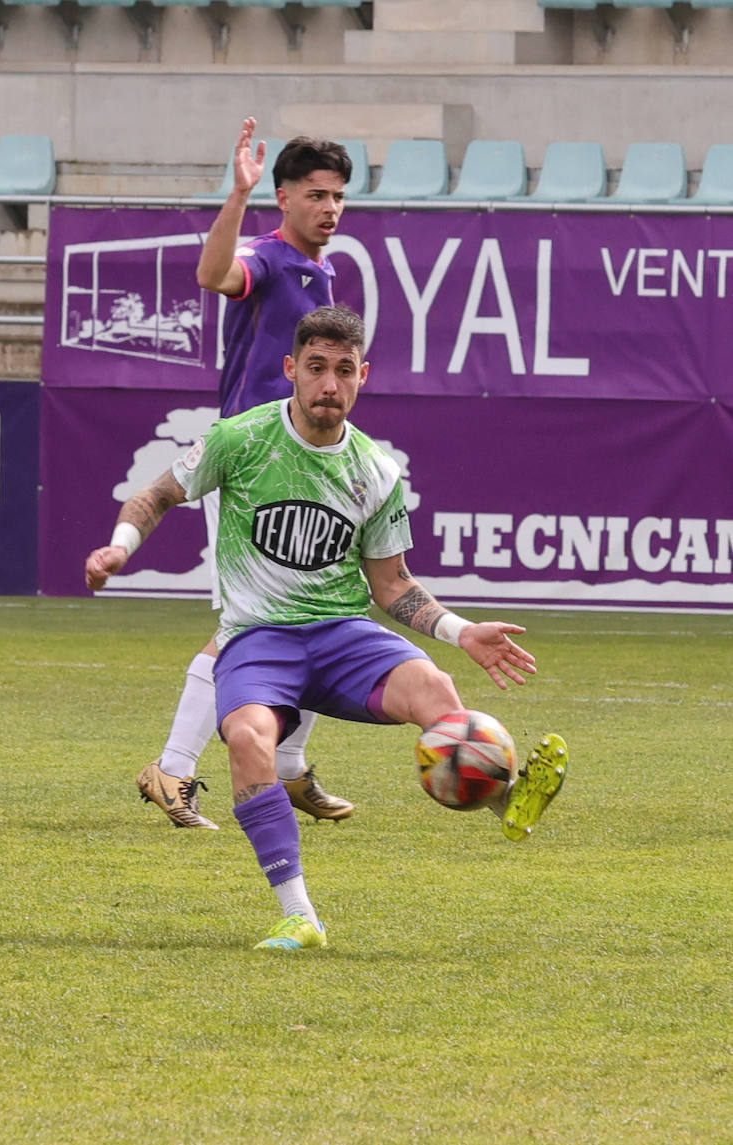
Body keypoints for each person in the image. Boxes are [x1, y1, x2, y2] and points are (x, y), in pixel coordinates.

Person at [88, 305, 567, 951]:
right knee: (249, 741)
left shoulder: (375, 471)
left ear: (362, 375)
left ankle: (502, 797)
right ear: (292, 369)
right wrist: (120, 548)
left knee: (439, 694)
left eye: (344, 370)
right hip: (258, 636)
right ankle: (299, 915)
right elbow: (152, 497)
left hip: (341, 632)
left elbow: (392, 584)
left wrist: (460, 630)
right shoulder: (241, 438)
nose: (329, 385)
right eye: (316, 368)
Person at [135, 120, 357, 830]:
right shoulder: (264, 256)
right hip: (253, 463)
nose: (330, 208)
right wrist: (237, 194)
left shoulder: (323, 273)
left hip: (307, 466)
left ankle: (287, 769)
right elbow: (212, 275)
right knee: (249, 625)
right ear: (284, 197)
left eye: (339, 196)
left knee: (325, 614)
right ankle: (171, 768)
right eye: (317, 194)